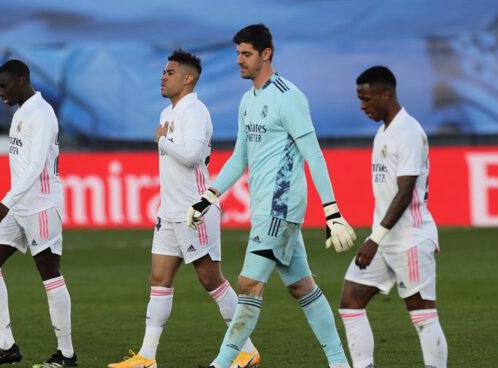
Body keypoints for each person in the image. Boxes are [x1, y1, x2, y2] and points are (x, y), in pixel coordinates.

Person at [188, 24, 356, 368]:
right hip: (265, 208)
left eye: (246, 54)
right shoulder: (247, 101)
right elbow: (240, 157)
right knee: (302, 288)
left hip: (281, 206)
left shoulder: (288, 96)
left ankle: (221, 364)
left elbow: (314, 154)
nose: (239, 60)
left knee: (249, 284)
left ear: (266, 54)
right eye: (237, 53)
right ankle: (339, 362)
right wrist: (209, 195)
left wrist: (332, 211)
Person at [107, 49, 260, 368]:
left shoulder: (196, 110)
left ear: (188, 78)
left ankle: (245, 348)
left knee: (211, 281)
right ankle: (147, 356)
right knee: (159, 279)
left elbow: (190, 155)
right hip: (169, 213)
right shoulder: (167, 113)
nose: (163, 76)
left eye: (170, 72)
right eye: (163, 71)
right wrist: (163, 138)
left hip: (195, 212)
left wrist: (162, 141)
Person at [338, 65, 448, 368]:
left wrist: (374, 238)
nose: (363, 106)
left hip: (410, 239)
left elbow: (405, 192)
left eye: (367, 99)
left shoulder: (409, 132)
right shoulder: (383, 131)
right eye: (360, 99)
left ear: (386, 94)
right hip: (385, 240)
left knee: (422, 316)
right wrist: (377, 237)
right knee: (350, 302)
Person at [0, 59, 77, 368]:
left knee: (49, 275)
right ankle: (7, 347)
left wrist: (6, 201)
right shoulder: (21, 113)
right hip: (20, 205)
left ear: (21, 80)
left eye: (3, 85)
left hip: (41, 205)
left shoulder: (41, 114)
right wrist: (12, 202)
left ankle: (66, 355)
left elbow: (35, 166)